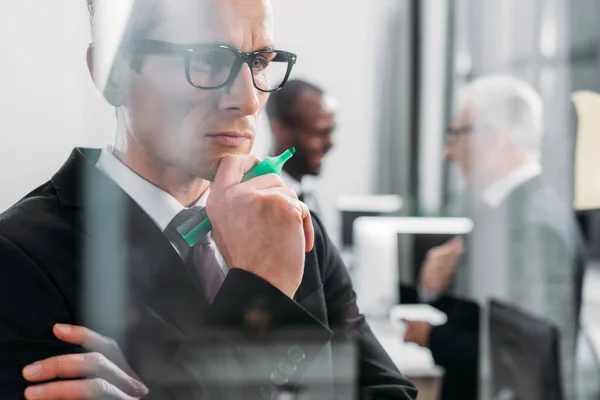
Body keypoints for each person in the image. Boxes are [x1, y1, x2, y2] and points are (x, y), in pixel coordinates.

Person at [0, 1, 418, 399]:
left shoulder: (288, 222)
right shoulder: (19, 256)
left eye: (258, 62)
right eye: (208, 59)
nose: (249, 101)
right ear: (111, 73)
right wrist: (263, 294)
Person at [403, 75, 583, 400]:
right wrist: (434, 289)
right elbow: (484, 315)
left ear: (495, 138)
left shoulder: (535, 225)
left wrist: (432, 336)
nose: (448, 153)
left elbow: (524, 358)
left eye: (455, 135)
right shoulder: (502, 212)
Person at [266, 79, 337, 213]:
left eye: (331, 132)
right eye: (319, 133)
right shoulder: (261, 200)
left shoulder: (310, 194)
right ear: (279, 130)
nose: (330, 143)